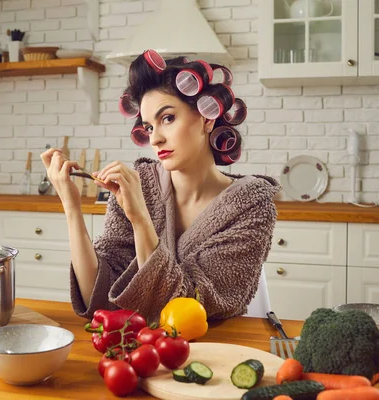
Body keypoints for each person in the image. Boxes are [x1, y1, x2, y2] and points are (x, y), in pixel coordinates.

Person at [41, 50, 280, 322]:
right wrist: (71, 206)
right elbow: (99, 299)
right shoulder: (140, 185)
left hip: (216, 346)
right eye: (149, 127)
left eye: (167, 118)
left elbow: (192, 309)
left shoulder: (251, 206)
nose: (155, 139)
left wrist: (140, 219)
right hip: (142, 349)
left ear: (207, 117)